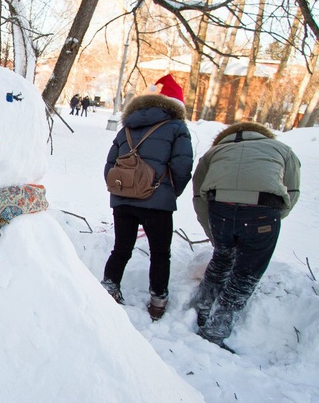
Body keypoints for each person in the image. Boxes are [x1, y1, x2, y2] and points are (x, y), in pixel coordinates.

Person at [191, 122, 300, 352]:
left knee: (222, 257)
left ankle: (202, 307)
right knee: (245, 274)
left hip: (219, 209)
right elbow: (292, 191)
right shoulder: (282, 150)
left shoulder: (214, 152)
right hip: (263, 210)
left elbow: (200, 196)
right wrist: (271, 220)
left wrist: (213, 232)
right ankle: (215, 331)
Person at [101, 74, 193, 320]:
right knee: (160, 253)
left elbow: (109, 165)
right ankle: (158, 300)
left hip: (123, 200)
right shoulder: (177, 127)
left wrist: (120, 189)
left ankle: (109, 288)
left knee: (121, 248)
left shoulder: (127, 127)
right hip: (157, 202)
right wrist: (170, 192)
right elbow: (182, 166)